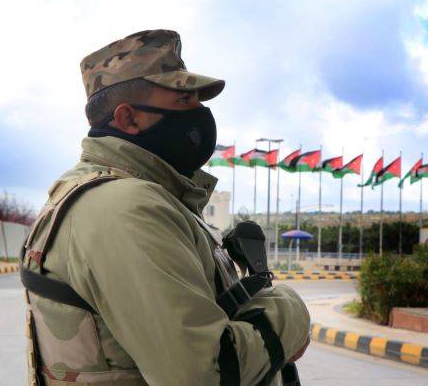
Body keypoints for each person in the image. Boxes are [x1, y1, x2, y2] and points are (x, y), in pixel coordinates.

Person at [19, 29, 310, 386]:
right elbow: (202, 374)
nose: (200, 113)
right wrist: (291, 313)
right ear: (128, 118)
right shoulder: (126, 208)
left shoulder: (138, 195)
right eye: (183, 101)